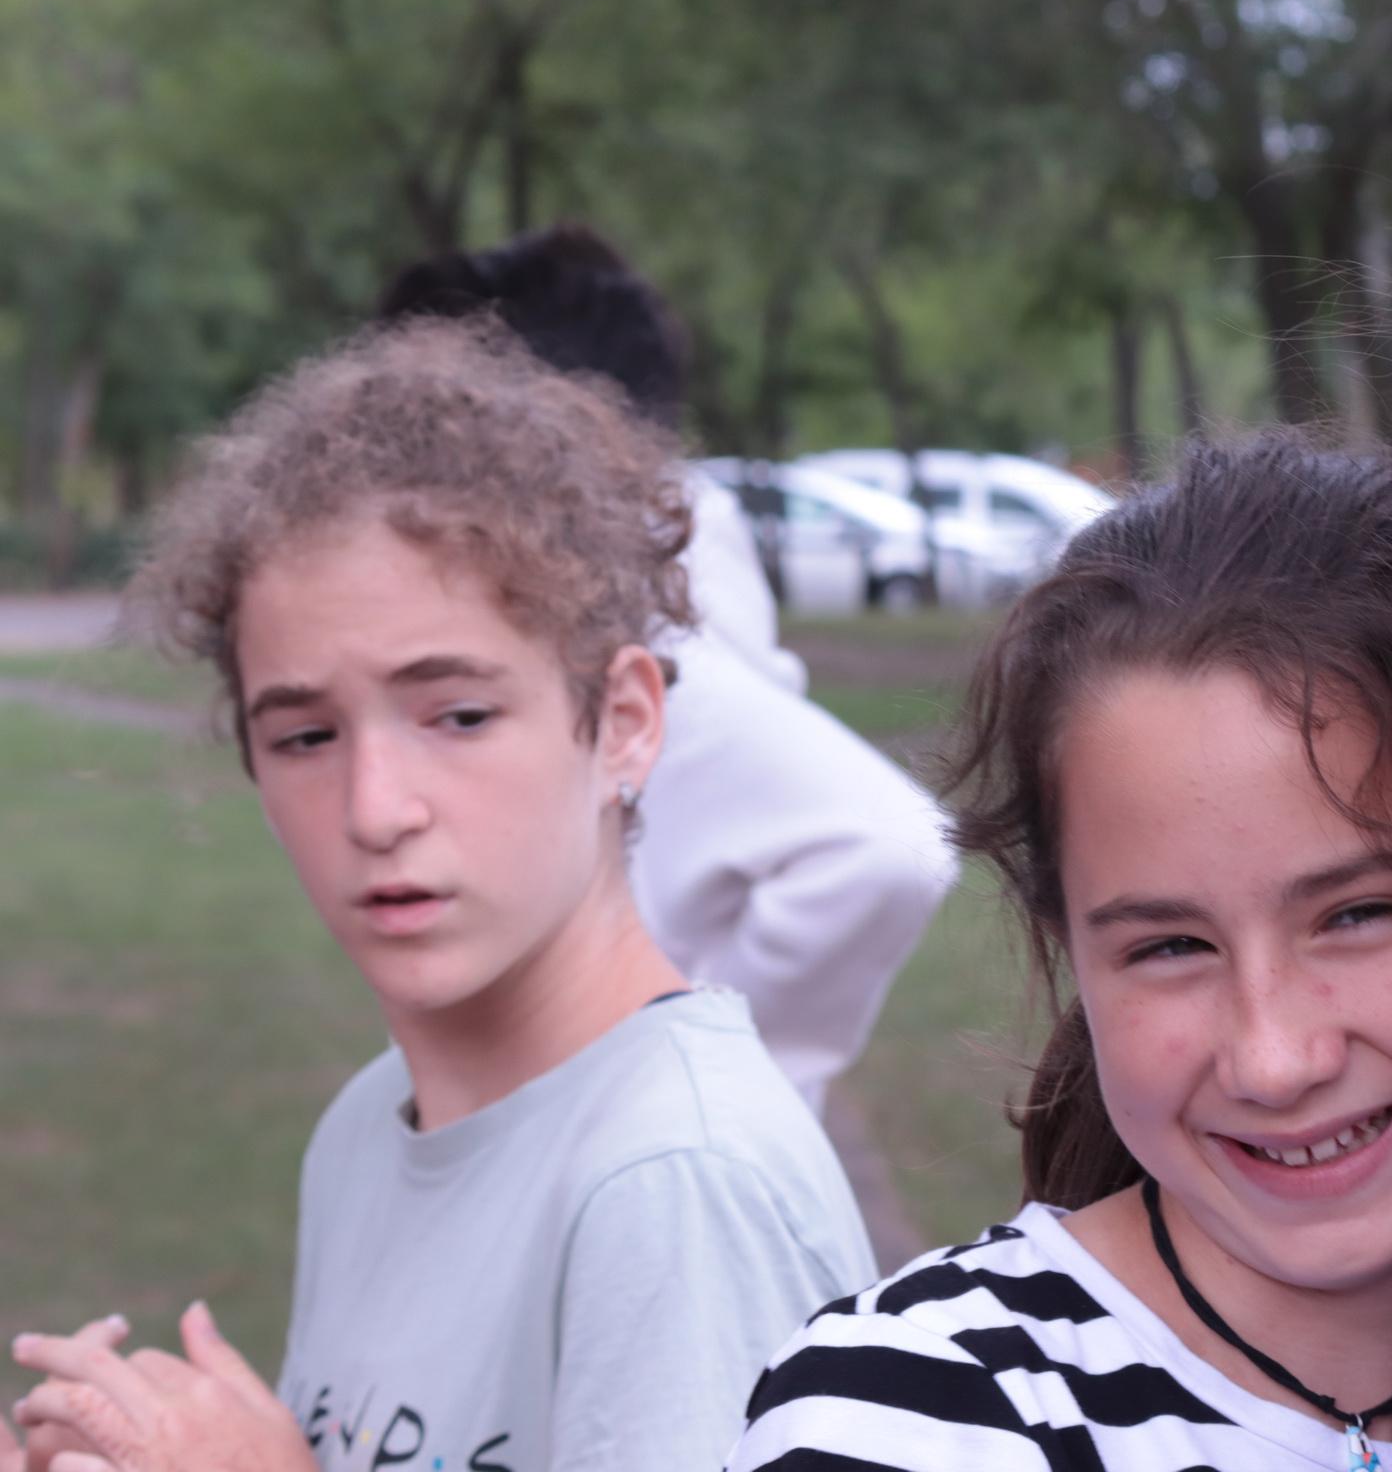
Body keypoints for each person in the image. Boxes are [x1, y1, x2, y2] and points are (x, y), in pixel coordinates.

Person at [5, 320, 875, 1472]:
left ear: (623, 722)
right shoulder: (368, 1129)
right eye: (306, 735)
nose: (376, 808)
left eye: (458, 715)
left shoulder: (673, 1180)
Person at [725, 435, 1392, 1472]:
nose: (1273, 1060)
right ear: (1070, 949)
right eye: (1173, 946)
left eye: (1357, 915)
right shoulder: (912, 1416)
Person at [378, 225, 957, 1112]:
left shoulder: (639, 649)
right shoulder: (636, 601)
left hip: (610, 1147)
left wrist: (680, 1073)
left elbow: (888, 846)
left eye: (414, 437)